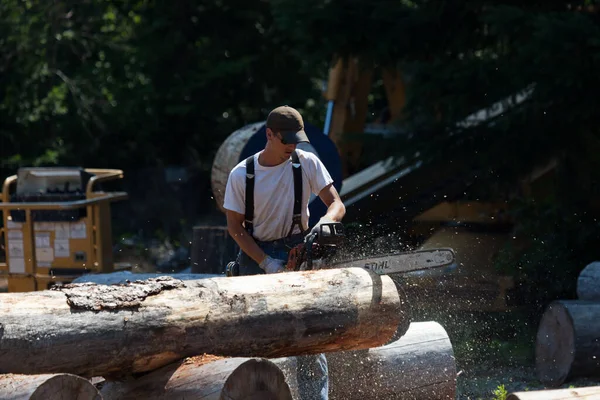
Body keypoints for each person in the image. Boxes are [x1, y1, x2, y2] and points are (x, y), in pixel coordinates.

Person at [223, 105, 346, 400]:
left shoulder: (306, 163)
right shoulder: (243, 175)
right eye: (285, 140)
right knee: (250, 338)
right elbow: (235, 229)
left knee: (307, 337)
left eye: (295, 140)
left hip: (296, 247)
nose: (291, 146)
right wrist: (267, 263)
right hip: (256, 255)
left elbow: (337, 204)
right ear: (269, 134)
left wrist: (325, 222)